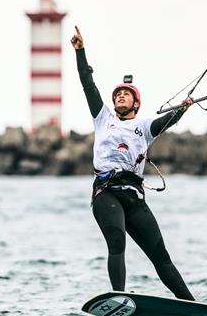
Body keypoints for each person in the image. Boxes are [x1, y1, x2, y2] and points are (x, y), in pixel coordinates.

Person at [71, 26, 196, 301]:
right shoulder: (103, 118)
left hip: (134, 196)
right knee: (117, 242)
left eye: (125, 94)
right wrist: (81, 52)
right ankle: (118, 297)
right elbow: (87, 84)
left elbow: (168, 120)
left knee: (160, 255)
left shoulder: (144, 126)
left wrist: (183, 108)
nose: (119, 97)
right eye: (117, 95)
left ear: (136, 103)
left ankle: (191, 304)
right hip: (107, 192)